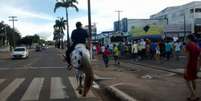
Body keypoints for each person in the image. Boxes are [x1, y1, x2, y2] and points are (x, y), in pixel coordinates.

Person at [184, 34, 201, 101]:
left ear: (189, 39)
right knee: (193, 79)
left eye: (186, 39)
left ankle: (194, 95)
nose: (186, 40)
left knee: (187, 80)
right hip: (195, 65)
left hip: (190, 65)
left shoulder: (188, 45)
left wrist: (185, 68)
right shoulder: (197, 46)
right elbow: (200, 57)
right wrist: (199, 66)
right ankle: (192, 95)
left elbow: (188, 58)